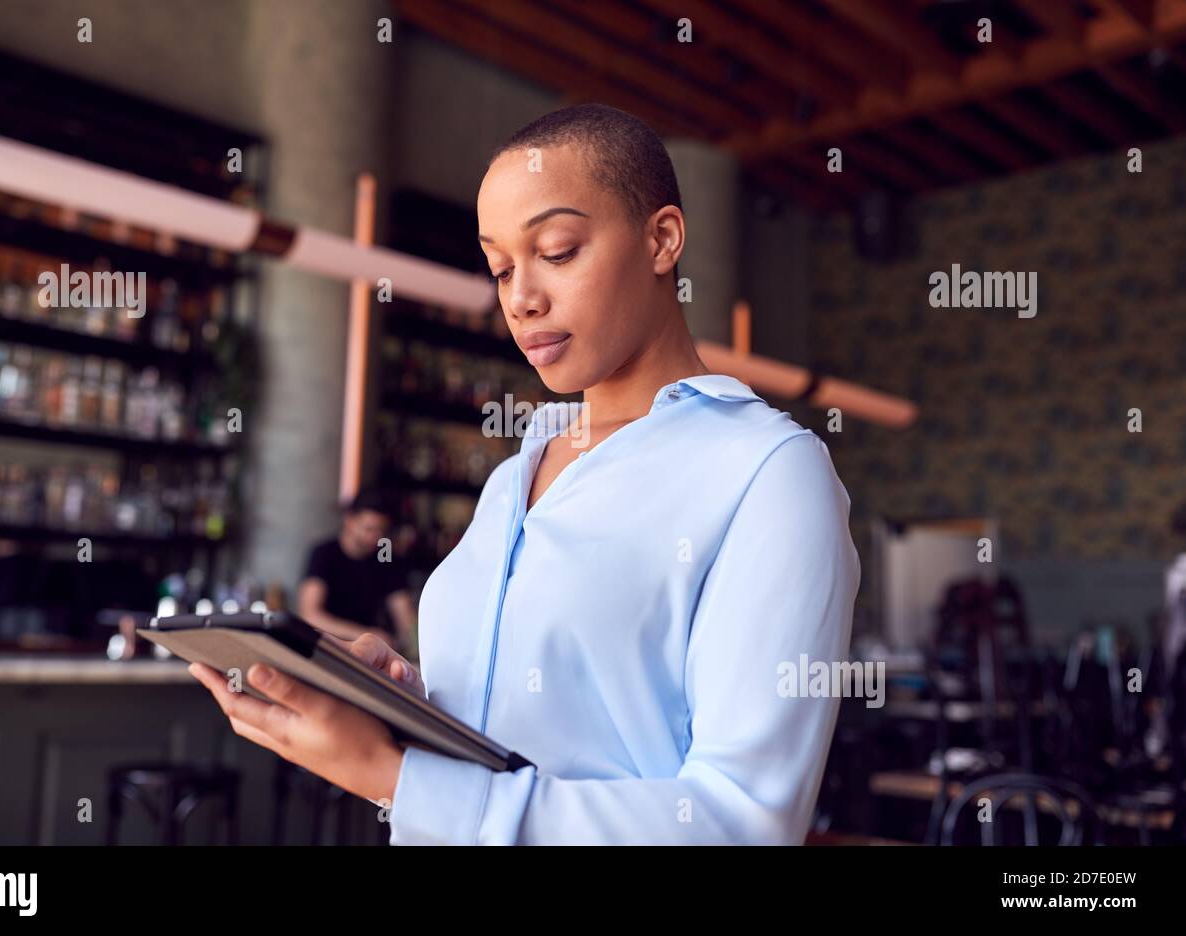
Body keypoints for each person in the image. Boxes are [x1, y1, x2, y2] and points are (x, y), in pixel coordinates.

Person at [190, 103, 860, 844]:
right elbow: (527, 732)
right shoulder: (518, 472)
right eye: (501, 267)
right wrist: (404, 696)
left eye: (559, 250)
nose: (520, 297)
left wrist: (392, 776)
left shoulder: (769, 472)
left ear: (662, 238)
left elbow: (742, 825)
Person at [295, 489, 418, 655]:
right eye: (369, 529)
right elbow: (309, 615)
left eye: (381, 530)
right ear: (350, 520)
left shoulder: (385, 555)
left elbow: (405, 618)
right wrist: (365, 634)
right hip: (324, 649)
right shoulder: (324, 553)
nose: (376, 537)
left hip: (365, 653)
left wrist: (412, 641)